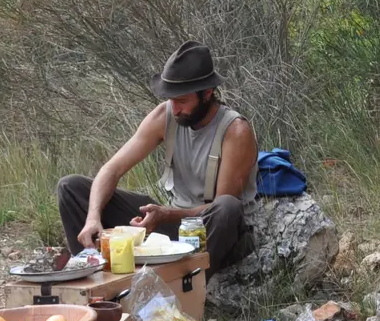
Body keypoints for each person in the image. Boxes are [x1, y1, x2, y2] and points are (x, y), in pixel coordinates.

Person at [57, 41, 258, 269]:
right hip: (173, 225)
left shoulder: (236, 131)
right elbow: (111, 170)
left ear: (207, 94)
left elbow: (222, 206)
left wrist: (166, 215)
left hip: (216, 231)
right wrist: (93, 217)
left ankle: (181, 287)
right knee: (71, 188)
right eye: (171, 99)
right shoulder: (165, 115)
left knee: (227, 207)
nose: (175, 108)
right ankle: (91, 273)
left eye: (182, 101)